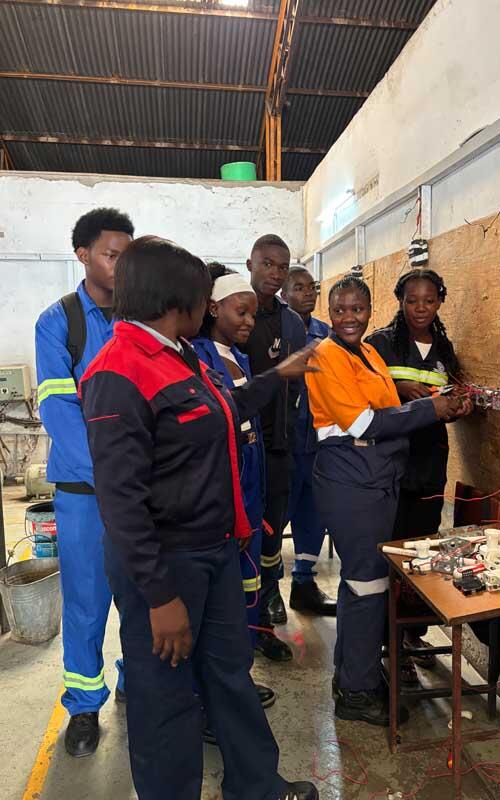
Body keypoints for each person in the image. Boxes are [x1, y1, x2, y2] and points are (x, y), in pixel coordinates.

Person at [80, 235, 319, 800]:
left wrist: (278, 375)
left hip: (213, 551)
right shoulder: (118, 370)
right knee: (166, 697)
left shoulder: (181, 356)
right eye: (200, 295)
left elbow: (226, 407)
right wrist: (160, 596)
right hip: (167, 564)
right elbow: (120, 500)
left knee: (229, 674)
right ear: (177, 299)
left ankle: (256, 786)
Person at [305, 275, 459, 727]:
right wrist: (430, 409)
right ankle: (357, 692)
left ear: (370, 310)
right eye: (339, 310)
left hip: (375, 479)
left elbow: (388, 409)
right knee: (367, 586)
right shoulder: (325, 356)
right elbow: (361, 424)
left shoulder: (368, 354)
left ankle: (353, 674)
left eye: (357, 309)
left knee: (361, 585)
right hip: (352, 483)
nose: (348, 318)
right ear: (329, 312)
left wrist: (429, 406)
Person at [35, 207, 134, 757]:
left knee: (140, 594)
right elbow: (59, 411)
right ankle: (83, 705)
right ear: (83, 255)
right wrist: (112, 475)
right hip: (85, 492)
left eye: (127, 256)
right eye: (111, 255)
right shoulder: (59, 322)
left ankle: (136, 681)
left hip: (139, 489)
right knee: (86, 602)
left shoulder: (142, 316)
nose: (121, 265)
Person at [366, 268, 473, 689]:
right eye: (412, 300)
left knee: (420, 557)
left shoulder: (444, 348)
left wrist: (461, 405)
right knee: (389, 556)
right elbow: (362, 394)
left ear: (440, 301)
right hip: (390, 466)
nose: (420, 308)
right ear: (400, 301)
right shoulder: (381, 343)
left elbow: (453, 394)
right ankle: (388, 645)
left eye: (429, 300)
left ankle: (412, 635)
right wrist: (399, 390)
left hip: (429, 468)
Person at [191, 262, 275, 710]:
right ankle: (220, 687)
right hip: (229, 483)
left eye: (253, 314)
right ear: (213, 308)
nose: (248, 322)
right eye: (240, 312)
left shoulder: (240, 357)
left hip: (252, 478)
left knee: (249, 582)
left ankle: (238, 675)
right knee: (226, 592)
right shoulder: (199, 355)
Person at [240, 234, 305, 662]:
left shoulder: (292, 324)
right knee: (241, 542)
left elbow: (297, 387)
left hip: (278, 450)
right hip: (240, 452)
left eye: (282, 267)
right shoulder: (233, 312)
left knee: (269, 542)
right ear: (250, 263)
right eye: (267, 264)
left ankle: (264, 620)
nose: (275, 273)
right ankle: (240, 631)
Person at [280, 266, 336, 615]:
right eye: (299, 288)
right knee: (277, 515)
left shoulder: (325, 334)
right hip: (283, 442)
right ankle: (268, 591)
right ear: (283, 294)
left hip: (316, 441)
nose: (308, 293)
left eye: (312, 287)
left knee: (313, 514)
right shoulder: (276, 329)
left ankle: (304, 584)